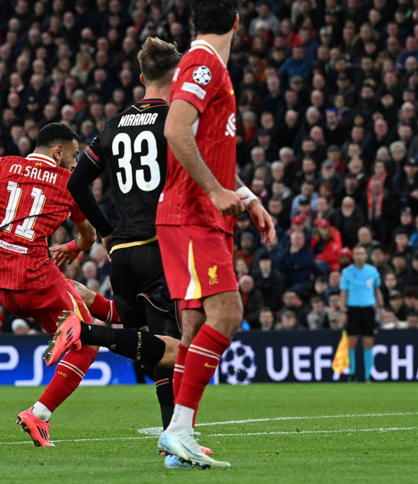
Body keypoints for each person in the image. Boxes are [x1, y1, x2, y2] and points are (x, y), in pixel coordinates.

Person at [0, 124, 178, 448]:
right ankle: (39, 413)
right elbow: (87, 236)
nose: (74, 164)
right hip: (35, 277)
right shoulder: (68, 184)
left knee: (72, 291)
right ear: (58, 152)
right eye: (72, 156)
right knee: (86, 342)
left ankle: (81, 317)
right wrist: (71, 247)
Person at [154, 0, 275, 469]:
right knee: (227, 313)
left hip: (193, 213)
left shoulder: (202, 64)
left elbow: (206, 147)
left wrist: (246, 197)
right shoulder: (203, 62)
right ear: (237, 22)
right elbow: (175, 129)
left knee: (194, 327)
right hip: (192, 215)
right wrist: (214, 190)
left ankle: (178, 441)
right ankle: (179, 430)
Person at [66, 37, 190, 456]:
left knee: (156, 350)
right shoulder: (175, 120)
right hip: (161, 247)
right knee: (177, 348)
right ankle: (86, 332)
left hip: (123, 254)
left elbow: (76, 182)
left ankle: (171, 446)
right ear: (175, 77)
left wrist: (104, 231)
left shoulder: (114, 124)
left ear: (141, 77)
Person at [339, 245, 384, 382]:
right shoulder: (347, 272)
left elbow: (377, 290)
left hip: (368, 309)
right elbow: (343, 292)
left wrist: (381, 306)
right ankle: (352, 373)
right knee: (351, 341)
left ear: (366, 256)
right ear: (353, 256)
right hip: (353, 309)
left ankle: (367, 375)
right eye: (356, 253)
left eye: (361, 253)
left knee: (368, 342)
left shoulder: (372, 271)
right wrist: (342, 310)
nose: (359, 256)